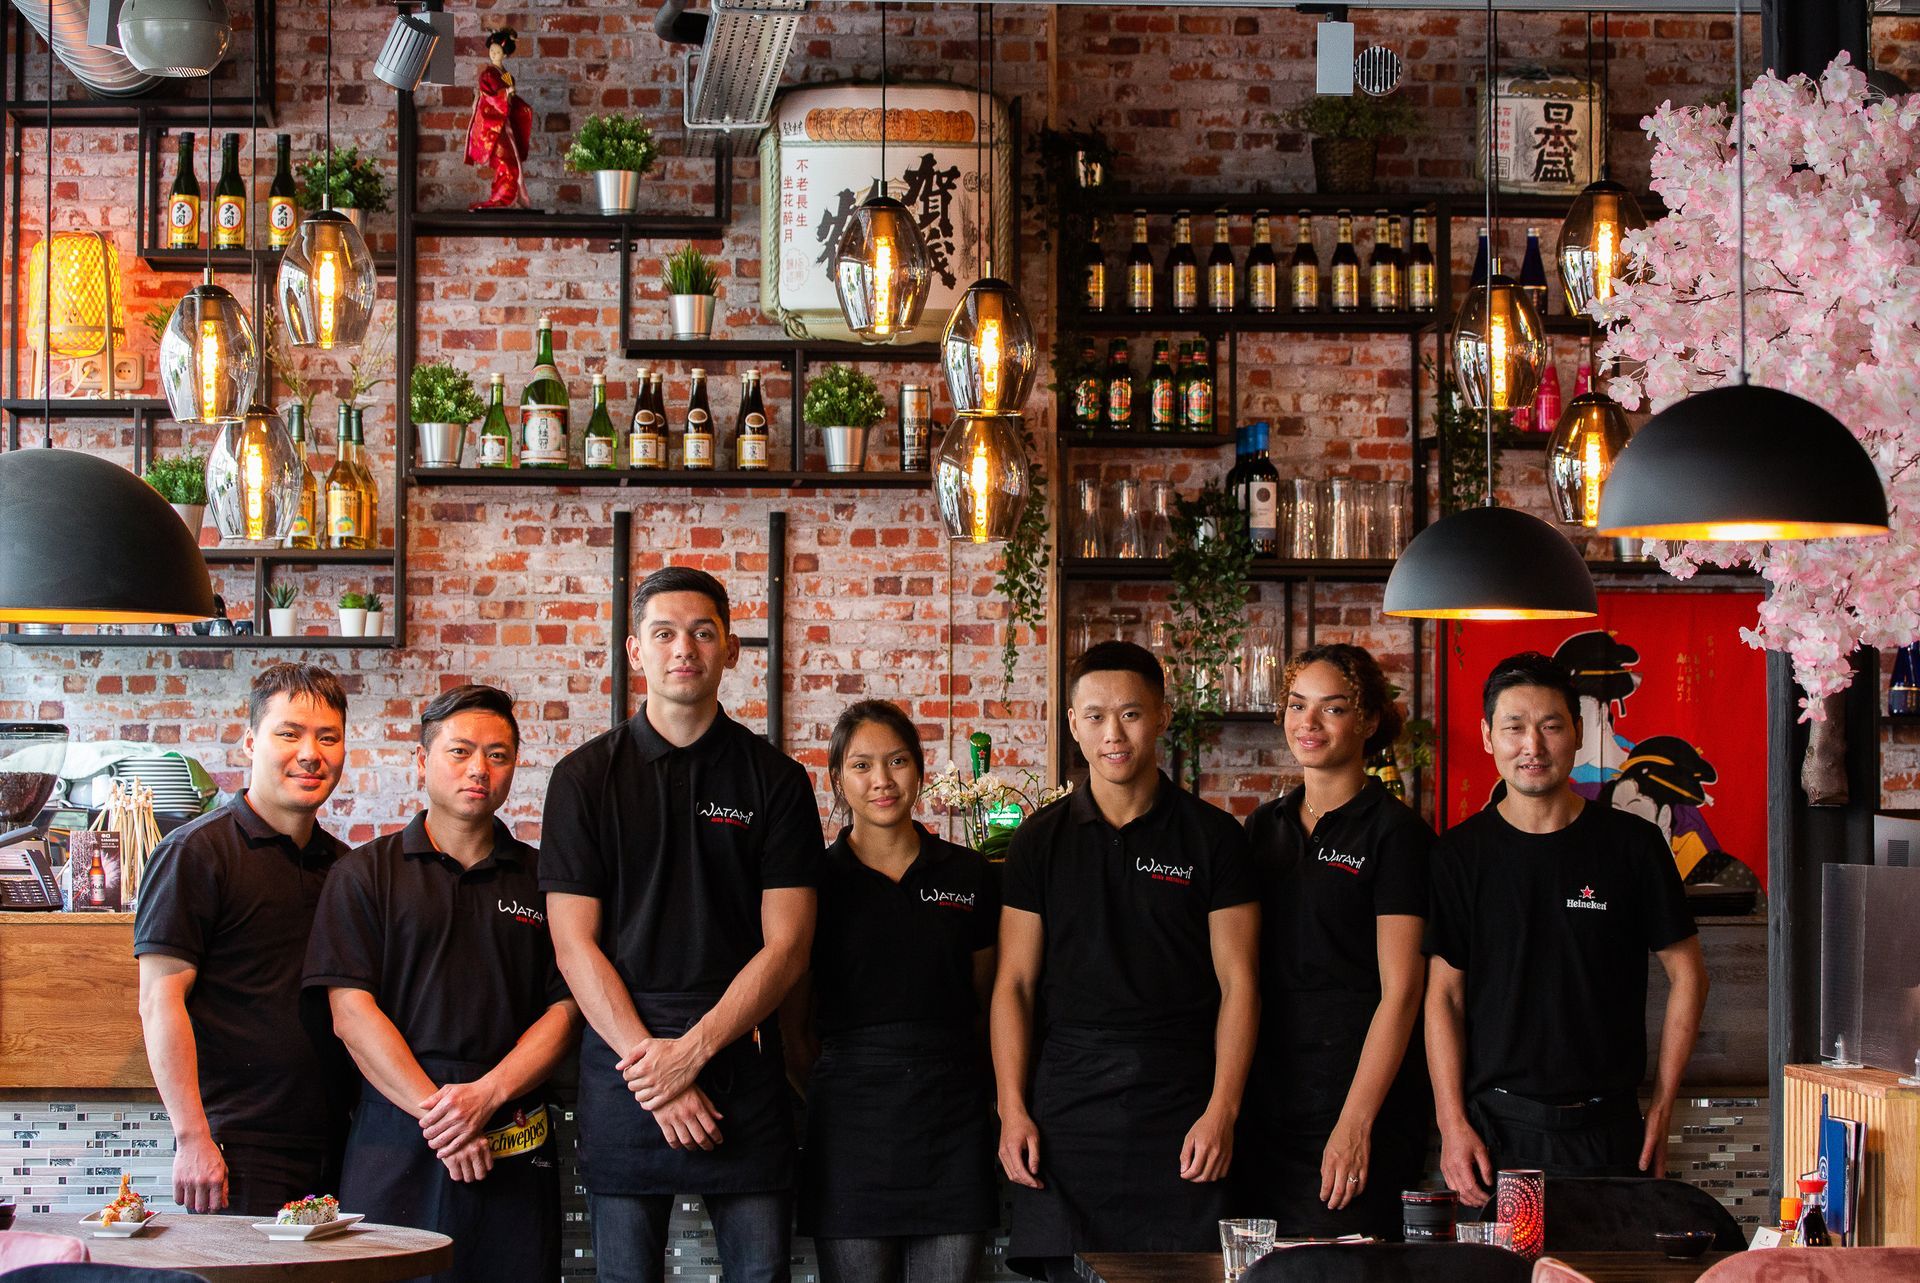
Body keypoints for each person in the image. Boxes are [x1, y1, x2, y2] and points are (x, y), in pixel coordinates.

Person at [541, 567, 821, 1283]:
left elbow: (788, 946)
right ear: (635, 650)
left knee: (761, 1277)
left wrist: (690, 1054)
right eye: (664, 633)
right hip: (624, 1059)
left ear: (731, 649)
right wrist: (654, 1069)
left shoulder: (777, 781)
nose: (684, 649)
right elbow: (573, 944)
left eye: (703, 632)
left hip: (739, 1053)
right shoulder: (582, 779)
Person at [994, 641, 1260, 1281]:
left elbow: (1240, 984)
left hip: (1182, 1102)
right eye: (1095, 716)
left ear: (1163, 715)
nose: (1113, 734)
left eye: (1131, 714)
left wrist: (1222, 1111)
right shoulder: (1038, 841)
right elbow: (1014, 985)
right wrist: (1012, 1110)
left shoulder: (1214, 837)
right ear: (1072, 724)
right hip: (1068, 1108)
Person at [304, 685, 579, 1283]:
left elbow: (565, 1011)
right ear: (421, 760)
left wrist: (487, 1096)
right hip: (395, 1133)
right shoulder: (363, 874)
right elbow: (351, 1014)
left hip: (512, 1131)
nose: (479, 768)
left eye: (497, 755)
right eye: (460, 751)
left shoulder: (544, 880)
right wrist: (446, 1119)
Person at [1425, 651, 1710, 1207]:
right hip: (1496, 1132)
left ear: (1578, 733)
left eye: (1551, 726)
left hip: (1610, 1130)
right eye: (1514, 727)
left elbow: (1690, 976)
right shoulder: (1458, 856)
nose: (1532, 746)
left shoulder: (1633, 846)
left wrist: (1662, 1106)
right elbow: (1444, 997)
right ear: (1487, 736)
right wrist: (1451, 1123)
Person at [782, 700, 999, 1283]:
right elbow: (794, 1031)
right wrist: (833, 1092)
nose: (882, 780)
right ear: (837, 780)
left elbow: (986, 1005)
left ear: (920, 770)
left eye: (897, 761)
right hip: (848, 1126)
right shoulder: (812, 883)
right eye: (862, 766)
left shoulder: (968, 874)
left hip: (952, 1119)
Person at [135, 662, 354, 1216]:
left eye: (328, 737)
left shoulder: (344, 867)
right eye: (290, 733)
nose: (311, 754)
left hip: (341, 1142)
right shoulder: (196, 853)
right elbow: (160, 999)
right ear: (251, 741)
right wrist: (192, 1137)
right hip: (237, 1150)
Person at [1235, 644, 1433, 1239]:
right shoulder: (1262, 827)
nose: (1309, 723)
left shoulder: (1396, 834)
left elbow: (1402, 993)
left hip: (1357, 1098)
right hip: (1268, 1100)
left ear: (1368, 721)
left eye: (1334, 708)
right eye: (1298, 705)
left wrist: (1355, 1123)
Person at [464, 26, 532, 211]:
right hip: (494, 122)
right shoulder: (488, 74)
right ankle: (501, 199)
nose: (494, 54)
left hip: (504, 122)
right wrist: (505, 94)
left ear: (505, 55)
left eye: (498, 52)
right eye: (492, 50)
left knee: (512, 161)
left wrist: (511, 95)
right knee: (506, 162)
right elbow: (490, 97)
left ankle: (505, 198)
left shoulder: (506, 75)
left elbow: (511, 95)